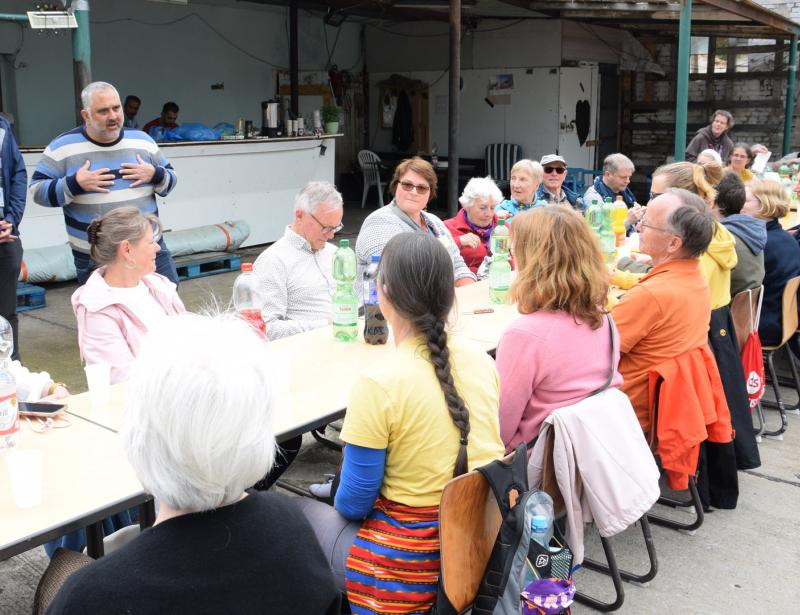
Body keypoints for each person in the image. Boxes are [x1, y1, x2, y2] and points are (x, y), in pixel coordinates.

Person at [45, 314, 341, 615]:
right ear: (259, 429)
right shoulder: (292, 528)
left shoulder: (90, 597)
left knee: (60, 571)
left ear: (137, 436)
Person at [297, 233, 504, 614]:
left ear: (383, 292)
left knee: (294, 516)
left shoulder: (379, 382)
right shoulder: (482, 360)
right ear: (449, 294)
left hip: (407, 572)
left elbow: (354, 504)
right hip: (483, 545)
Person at [495, 206, 622, 452]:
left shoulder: (525, 335)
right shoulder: (604, 318)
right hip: (592, 453)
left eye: (515, 251)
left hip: (539, 469)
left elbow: (499, 429)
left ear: (532, 260)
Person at [30, 81, 179, 285]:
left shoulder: (143, 141)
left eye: (116, 108)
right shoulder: (62, 147)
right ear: (86, 115)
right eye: (103, 111)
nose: (113, 116)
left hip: (149, 250)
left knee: (166, 307)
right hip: (96, 257)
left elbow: (171, 181)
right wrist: (74, 184)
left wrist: (156, 174)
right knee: (105, 313)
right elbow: (38, 191)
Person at [611, 189, 715, 430]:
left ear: (673, 243)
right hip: (665, 411)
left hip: (626, 416)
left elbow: (595, 355)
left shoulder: (651, 295)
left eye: (647, 224)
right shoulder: (695, 278)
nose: (639, 228)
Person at [71, 207, 186, 385]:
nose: (157, 248)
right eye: (150, 242)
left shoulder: (161, 285)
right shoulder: (96, 310)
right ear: (127, 250)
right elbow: (121, 381)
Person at [355, 157, 475, 286]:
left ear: (430, 193)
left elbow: (457, 265)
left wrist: (469, 290)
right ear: (396, 186)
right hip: (392, 304)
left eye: (422, 188)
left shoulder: (435, 222)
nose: (413, 192)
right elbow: (396, 275)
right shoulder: (379, 222)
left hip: (440, 301)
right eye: (407, 185)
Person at [254, 181, 343, 340]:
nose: (331, 236)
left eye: (336, 228)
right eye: (326, 227)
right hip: (307, 351)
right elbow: (265, 328)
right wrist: (325, 326)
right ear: (299, 215)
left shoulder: (335, 253)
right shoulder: (273, 261)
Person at [742, 178, 800, 349]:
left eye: (747, 200)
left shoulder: (762, 244)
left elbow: (741, 289)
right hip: (781, 320)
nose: (741, 204)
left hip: (762, 325)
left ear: (765, 204)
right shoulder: (785, 239)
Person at [715, 172, 766, 296]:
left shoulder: (722, 238)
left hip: (725, 310)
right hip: (745, 312)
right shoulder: (750, 230)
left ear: (712, 201)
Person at [0, 113, 25, 361]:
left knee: (7, 312)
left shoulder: (2, 125)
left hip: (6, 236)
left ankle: (12, 371)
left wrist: (12, 219)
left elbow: (18, 173)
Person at [443, 176, 503, 274]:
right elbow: (434, 254)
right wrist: (458, 241)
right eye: (482, 208)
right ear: (468, 206)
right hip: (467, 285)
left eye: (492, 208)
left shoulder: (503, 228)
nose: (488, 214)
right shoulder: (447, 227)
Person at [583, 153, 642, 227]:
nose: (628, 181)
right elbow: (596, 234)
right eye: (623, 177)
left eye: (629, 177)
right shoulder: (593, 199)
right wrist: (628, 221)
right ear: (608, 175)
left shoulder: (626, 194)